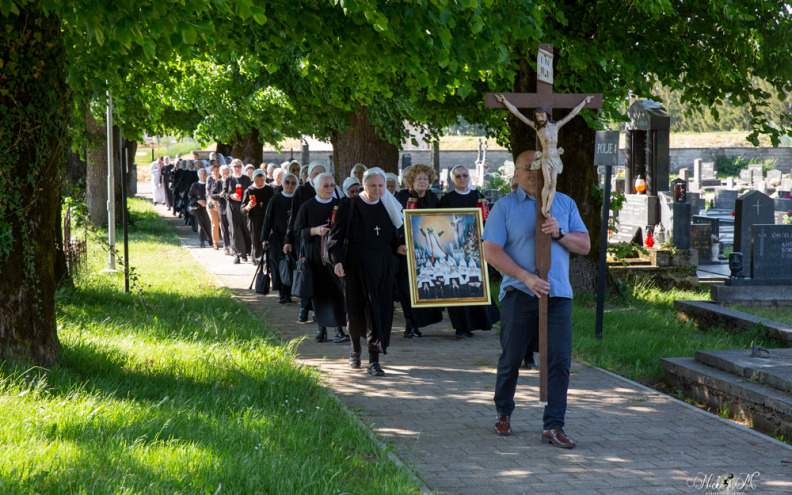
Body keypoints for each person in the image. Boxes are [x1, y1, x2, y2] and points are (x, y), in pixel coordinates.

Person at [482, 150, 590, 448]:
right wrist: (525, 277)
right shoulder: (504, 207)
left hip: (557, 295)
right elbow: (491, 251)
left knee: (558, 360)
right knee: (511, 357)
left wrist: (559, 233)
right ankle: (503, 412)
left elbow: (584, 245)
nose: (533, 172)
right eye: (526, 168)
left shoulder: (564, 203)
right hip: (519, 293)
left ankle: (554, 425)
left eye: (539, 167)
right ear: (515, 174)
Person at [329, 168, 406, 375]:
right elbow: (335, 239)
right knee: (354, 311)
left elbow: (393, 238)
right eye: (373, 185)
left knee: (378, 311)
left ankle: (374, 359)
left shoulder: (387, 206)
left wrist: (399, 247)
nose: (378, 189)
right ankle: (355, 350)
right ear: (364, 185)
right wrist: (337, 261)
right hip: (355, 265)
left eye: (381, 185)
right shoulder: (349, 205)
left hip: (382, 266)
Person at [494, 94, 593, 217]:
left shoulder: (556, 126)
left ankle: (548, 208)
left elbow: (572, 114)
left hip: (555, 158)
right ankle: (544, 207)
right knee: (548, 182)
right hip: (545, 158)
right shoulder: (537, 128)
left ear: (547, 115)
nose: (540, 118)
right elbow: (517, 114)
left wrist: (584, 102)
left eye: (542, 115)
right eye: (538, 116)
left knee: (554, 184)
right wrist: (505, 101)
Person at [439, 164, 500, 338]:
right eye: (458, 176)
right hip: (454, 250)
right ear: (453, 179)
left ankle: (473, 324)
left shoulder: (478, 197)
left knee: (473, 285)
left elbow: (486, 222)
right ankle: (460, 327)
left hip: (474, 250)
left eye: (465, 175)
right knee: (457, 287)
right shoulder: (447, 200)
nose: (462, 178)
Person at [293, 173, 349, 344]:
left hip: (335, 256)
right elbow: (297, 231)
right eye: (326, 186)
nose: (330, 189)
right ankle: (321, 330)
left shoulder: (339, 205)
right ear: (317, 187)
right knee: (319, 294)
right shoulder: (307, 206)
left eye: (332, 185)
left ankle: (338, 330)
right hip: (315, 257)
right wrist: (314, 231)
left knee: (337, 294)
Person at [395, 163, 443, 338]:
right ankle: (409, 324)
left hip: (426, 249)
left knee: (423, 286)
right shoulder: (401, 196)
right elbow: (395, 222)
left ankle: (417, 324)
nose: (422, 181)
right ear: (411, 181)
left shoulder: (433, 197)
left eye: (425, 178)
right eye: (418, 178)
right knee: (407, 289)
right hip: (405, 249)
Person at [285, 161, 330, 323]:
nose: (318, 176)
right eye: (315, 173)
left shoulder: (330, 189)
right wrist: (288, 240)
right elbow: (294, 218)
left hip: (326, 242)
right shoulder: (302, 191)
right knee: (307, 274)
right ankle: (304, 308)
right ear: (310, 175)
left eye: (321, 172)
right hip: (306, 240)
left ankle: (320, 312)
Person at [262, 173, 298, 303]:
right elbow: (267, 219)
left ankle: (288, 292)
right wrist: (264, 238)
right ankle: (281, 292)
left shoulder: (298, 199)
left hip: (293, 238)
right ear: (282, 183)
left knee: (290, 264)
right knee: (277, 265)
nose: (290, 185)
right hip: (277, 238)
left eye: (293, 183)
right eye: (287, 182)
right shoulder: (275, 199)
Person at [242, 169, 275, 265]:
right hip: (254, 219)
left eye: (262, 180)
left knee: (267, 239)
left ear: (265, 178)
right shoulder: (249, 190)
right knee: (255, 239)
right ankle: (256, 258)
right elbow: (242, 209)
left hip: (267, 218)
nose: (260, 183)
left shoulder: (269, 189)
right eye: (257, 180)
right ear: (253, 179)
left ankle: (266, 258)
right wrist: (248, 207)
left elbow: (274, 203)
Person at [224, 159, 253, 264]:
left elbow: (251, 191)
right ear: (231, 167)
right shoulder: (228, 179)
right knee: (235, 230)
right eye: (235, 166)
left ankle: (247, 252)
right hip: (232, 207)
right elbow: (224, 192)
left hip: (244, 207)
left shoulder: (246, 179)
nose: (237, 168)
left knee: (246, 228)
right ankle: (238, 254)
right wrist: (231, 196)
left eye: (239, 166)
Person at [188, 168, 213, 248]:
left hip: (208, 207)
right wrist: (198, 201)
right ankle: (201, 241)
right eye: (201, 174)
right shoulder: (195, 185)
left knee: (209, 224)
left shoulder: (209, 184)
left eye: (204, 174)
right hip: (198, 208)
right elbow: (190, 196)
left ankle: (210, 240)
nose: (203, 176)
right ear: (198, 175)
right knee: (200, 225)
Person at [205, 166, 222, 250]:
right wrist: (213, 202)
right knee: (214, 224)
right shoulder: (209, 179)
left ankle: (226, 243)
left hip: (221, 204)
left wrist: (219, 203)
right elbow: (207, 193)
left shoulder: (222, 179)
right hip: (211, 205)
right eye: (214, 171)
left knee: (222, 224)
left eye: (217, 171)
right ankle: (215, 242)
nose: (215, 172)